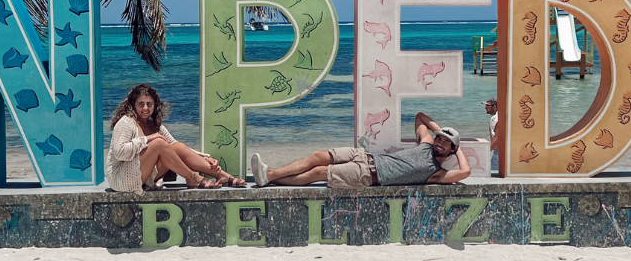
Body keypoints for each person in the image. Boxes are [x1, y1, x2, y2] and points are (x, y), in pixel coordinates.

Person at [249, 111, 470, 189]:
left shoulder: (436, 173)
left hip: (368, 175)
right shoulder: (426, 144)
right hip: (365, 156)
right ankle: (269, 175)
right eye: (439, 138)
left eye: (445, 143)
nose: (439, 142)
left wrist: (457, 147)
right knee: (318, 156)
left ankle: (269, 175)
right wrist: (443, 133)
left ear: (452, 150)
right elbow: (420, 117)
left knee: (318, 174)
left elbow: (465, 172)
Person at [107, 84, 245, 192]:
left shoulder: (155, 125)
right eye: (141, 104)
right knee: (159, 143)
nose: (145, 108)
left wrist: (206, 158)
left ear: (155, 106)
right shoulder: (126, 122)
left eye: (149, 104)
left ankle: (220, 175)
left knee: (175, 146)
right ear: (133, 105)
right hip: (123, 179)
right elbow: (120, 152)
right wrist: (148, 139)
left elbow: (175, 148)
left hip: (145, 176)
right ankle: (192, 178)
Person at [484, 97, 499, 174]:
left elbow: (498, 139)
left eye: (487, 106)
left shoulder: (497, 118)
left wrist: (486, 151)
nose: (485, 108)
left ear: (495, 107)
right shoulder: (495, 118)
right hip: (497, 152)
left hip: (499, 153)